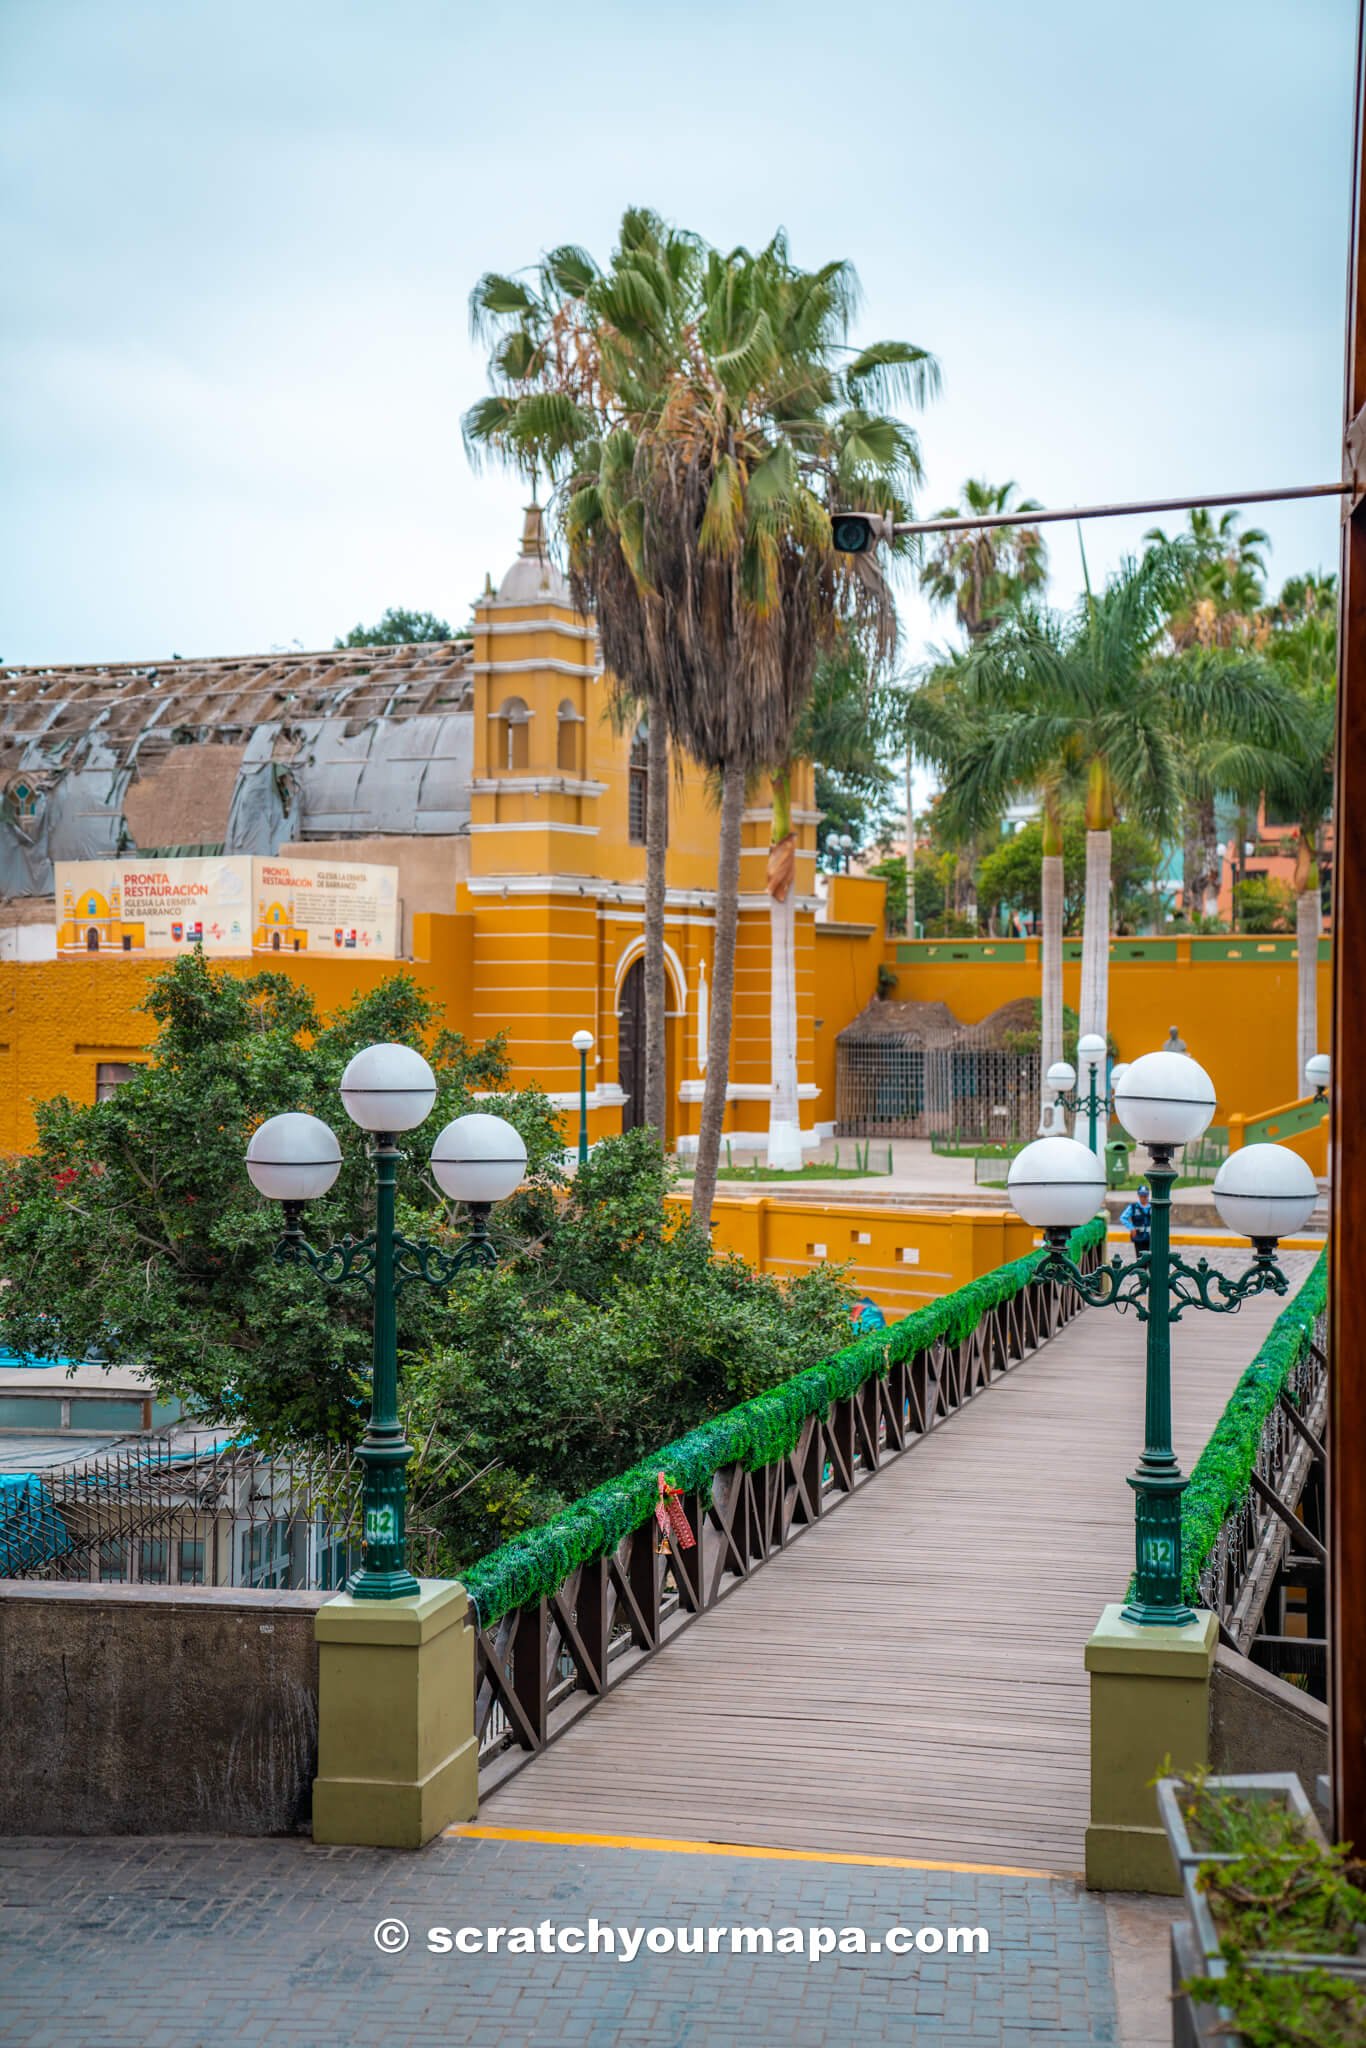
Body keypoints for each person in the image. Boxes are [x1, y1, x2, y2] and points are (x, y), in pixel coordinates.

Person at [1119, 1184, 1153, 1252]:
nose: (1143, 1197)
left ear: (1148, 1195)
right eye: (1141, 1195)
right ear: (1138, 1195)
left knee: (1151, 1258)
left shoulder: (1152, 1207)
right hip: (1138, 1236)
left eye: (1145, 1195)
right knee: (1140, 1257)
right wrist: (1131, 1228)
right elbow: (1123, 1217)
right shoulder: (1133, 1207)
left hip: (1151, 1237)